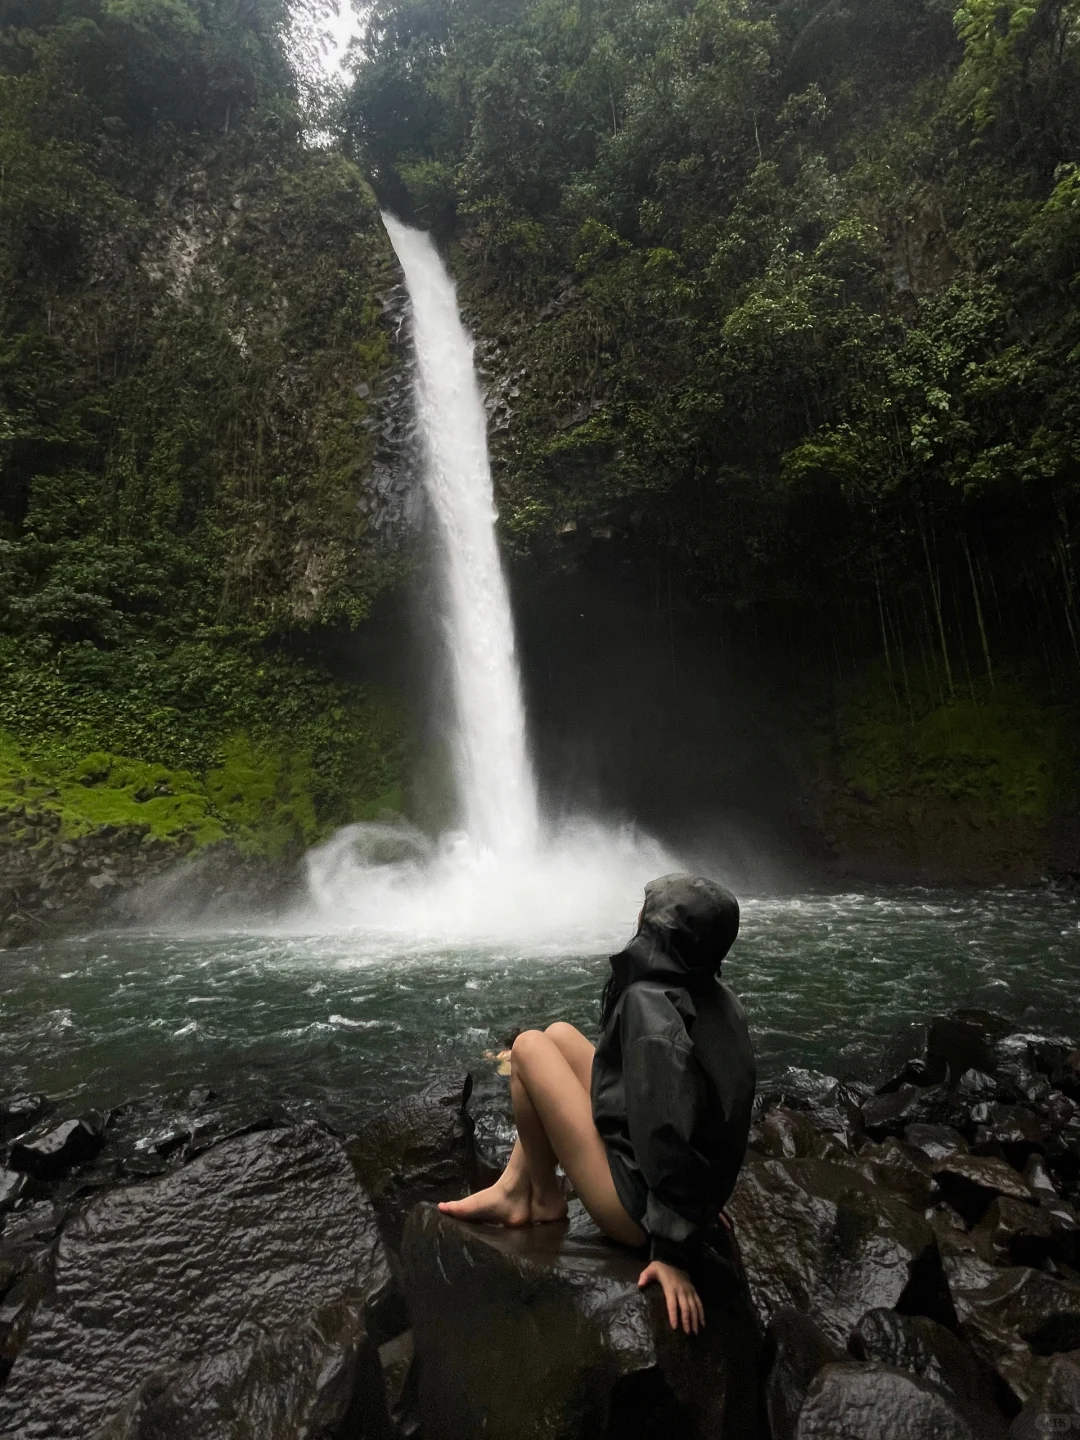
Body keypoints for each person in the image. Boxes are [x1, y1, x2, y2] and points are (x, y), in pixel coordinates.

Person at [439, 872, 756, 1335]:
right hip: (668, 1190)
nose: (639, 915)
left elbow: (668, 1130)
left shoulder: (651, 1010)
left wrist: (673, 1249)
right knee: (562, 1035)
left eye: (648, 912)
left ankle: (541, 1198)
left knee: (528, 1047)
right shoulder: (712, 993)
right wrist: (704, 1198)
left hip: (635, 1213)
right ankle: (515, 1187)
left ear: (661, 933)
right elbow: (717, 1113)